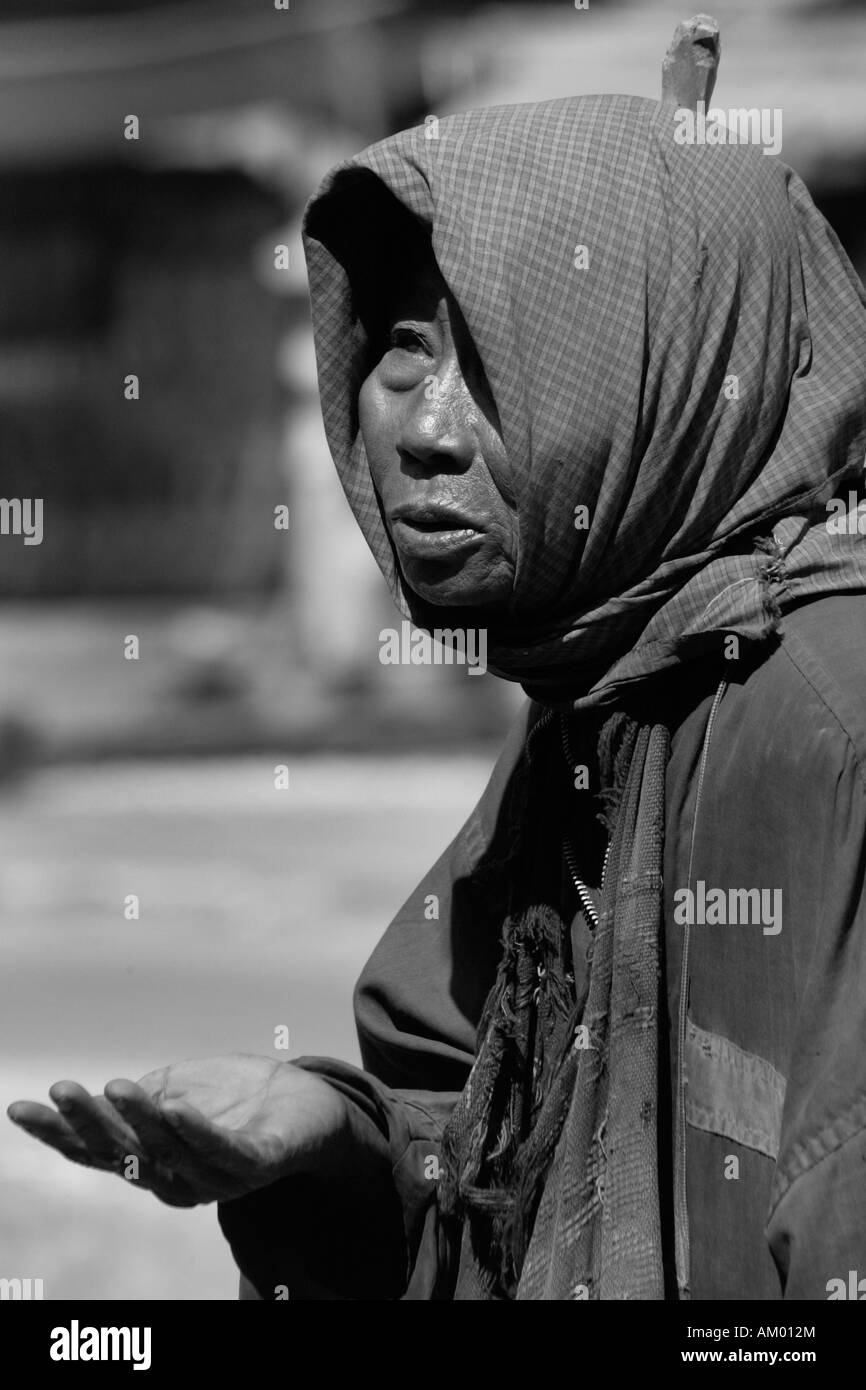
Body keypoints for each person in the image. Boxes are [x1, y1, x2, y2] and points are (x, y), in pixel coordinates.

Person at [9, 90, 866, 1301]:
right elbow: (512, 1173)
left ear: (672, 370)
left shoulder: (822, 731)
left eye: (501, 349)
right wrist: (331, 1144)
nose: (422, 429)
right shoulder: (608, 694)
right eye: (403, 346)